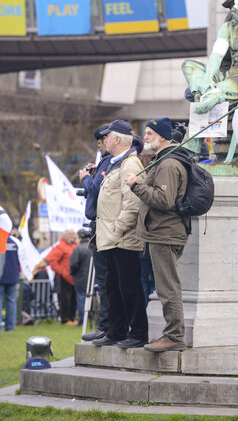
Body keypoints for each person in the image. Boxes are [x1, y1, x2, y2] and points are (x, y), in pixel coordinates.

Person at [125, 117, 190, 353]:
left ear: (163, 136)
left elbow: (164, 200)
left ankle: (174, 336)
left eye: (150, 134)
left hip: (165, 234)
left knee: (167, 287)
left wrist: (136, 185)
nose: (146, 138)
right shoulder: (162, 161)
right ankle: (170, 333)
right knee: (165, 286)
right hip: (161, 233)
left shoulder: (169, 164)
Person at [92, 120, 148, 349]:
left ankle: (138, 333)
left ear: (116, 139)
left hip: (122, 238)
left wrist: (116, 230)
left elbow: (132, 204)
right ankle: (116, 331)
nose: (103, 141)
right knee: (113, 287)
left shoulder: (129, 164)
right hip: (112, 238)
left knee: (130, 287)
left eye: (106, 137)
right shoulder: (117, 163)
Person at [79, 124, 112, 341]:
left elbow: (96, 188)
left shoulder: (110, 161)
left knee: (106, 280)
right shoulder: (107, 161)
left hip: (104, 226)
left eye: (101, 142)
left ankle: (106, 326)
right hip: (100, 225)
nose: (100, 146)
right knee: (106, 280)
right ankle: (106, 326)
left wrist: (85, 177)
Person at [47, 229, 78, 325]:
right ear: (65, 236)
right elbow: (52, 260)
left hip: (75, 277)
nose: (72, 236)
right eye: (70, 234)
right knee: (65, 299)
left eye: (73, 234)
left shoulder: (75, 245)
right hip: (65, 277)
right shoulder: (60, 246)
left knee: (73, 299)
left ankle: (72, 318)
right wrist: (61, 272)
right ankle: (65, 319)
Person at [69, 229, 92, 326]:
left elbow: (73, 264)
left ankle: (82, 321)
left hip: (80, 279)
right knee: (92, 300)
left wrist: (72, 273)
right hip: (92, 278)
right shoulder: (92, 248)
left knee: (81, 300)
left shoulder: (78, 249)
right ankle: (92, 320)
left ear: (79, 237)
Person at [0, 233, 21, 331]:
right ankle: (10, 327)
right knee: (12, 302)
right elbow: (22, 257)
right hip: (12, 275)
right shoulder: (15, 241)